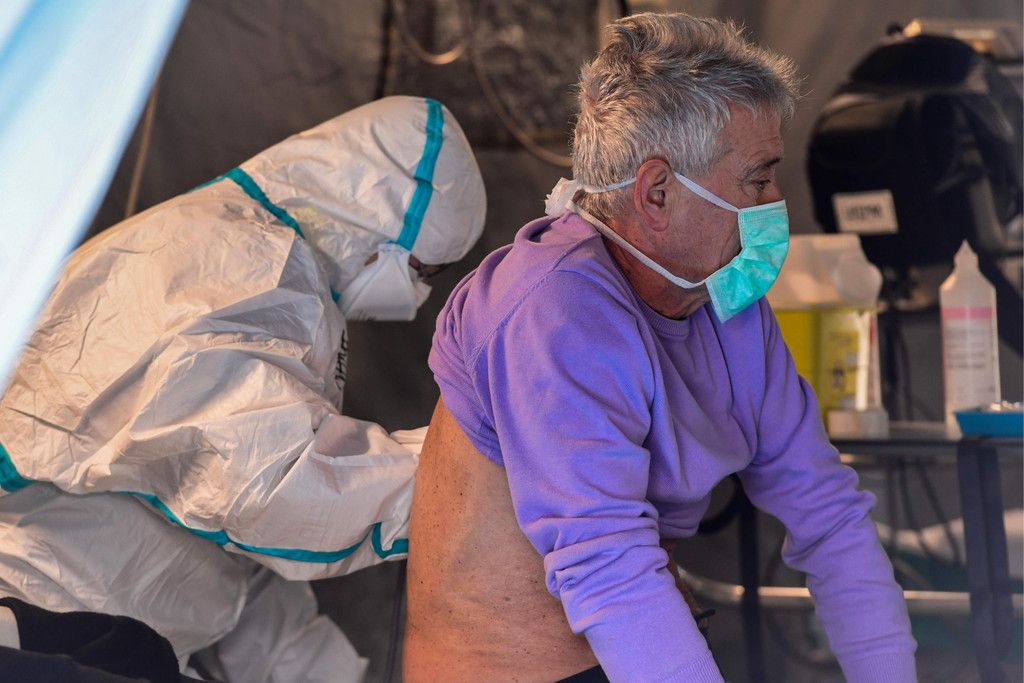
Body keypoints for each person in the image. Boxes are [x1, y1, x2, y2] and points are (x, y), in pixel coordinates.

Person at [404, 13, 916, 683]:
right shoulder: (552, 305)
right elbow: (606, 561)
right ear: (657, 192)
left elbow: (828, 513)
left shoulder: (729, 310)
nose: (776, 200)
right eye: (758, 179)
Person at [0, 95, 485, 681]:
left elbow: (224, 550)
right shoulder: (233, 261)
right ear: (379, 221)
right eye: (422, 271)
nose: (418, 296)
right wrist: (481, 471)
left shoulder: (276, 276)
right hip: (42, 623)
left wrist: (321, 671)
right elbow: (273, 485)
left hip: (113, 633)